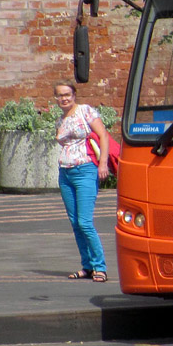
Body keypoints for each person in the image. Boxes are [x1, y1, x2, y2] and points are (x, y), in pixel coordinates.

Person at [53, 82, 110, 282]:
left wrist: (103, 163)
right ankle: (87, 266)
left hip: (86, 170)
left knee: (85, 222)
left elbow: (103, 135)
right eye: (60, 95)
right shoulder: (60, 120)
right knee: (76, 223)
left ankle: (100, 266)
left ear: (74, 95)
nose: (64, 98)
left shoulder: (85, 111)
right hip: (65, 173)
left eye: (67, 94)